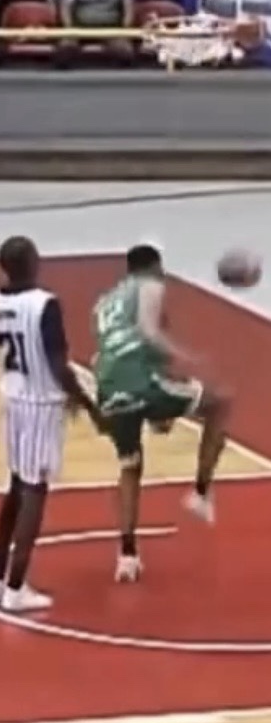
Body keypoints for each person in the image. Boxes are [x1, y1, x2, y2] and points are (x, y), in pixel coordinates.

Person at [92, 244, 231, 582]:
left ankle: (127, 556)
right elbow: (150, 334)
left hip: (109, 387)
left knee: (130, 465)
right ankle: (200, 492)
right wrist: (187, 357)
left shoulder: (104, 303)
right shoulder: (151, 285)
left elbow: (111, 352)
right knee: (219, 403)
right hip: (140, 381)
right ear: (154, 267)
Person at [0, 236, 102, 613]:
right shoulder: (45, 304)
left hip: (11, 396)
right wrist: (87, 404)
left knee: (16, 485)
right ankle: (16, 586)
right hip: (40, 403)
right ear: (33, 261)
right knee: (35, 490)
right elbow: (57, 364)